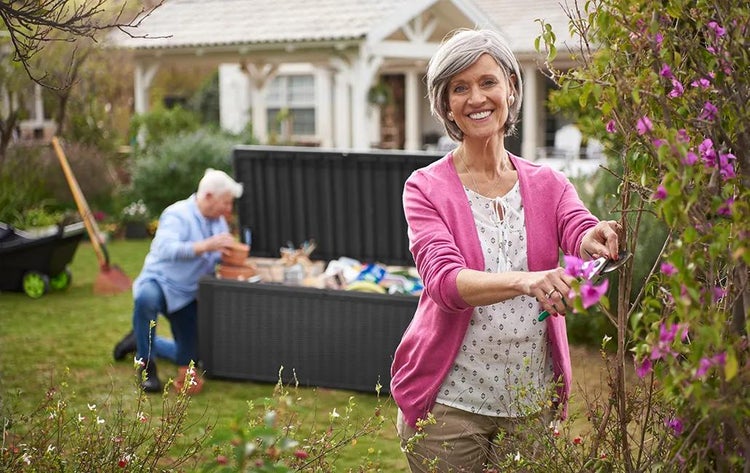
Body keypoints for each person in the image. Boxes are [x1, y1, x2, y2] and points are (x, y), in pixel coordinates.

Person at [390, 29, 621, 472]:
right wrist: (525, 280)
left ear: (511, 89)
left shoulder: (547, 184)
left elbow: (577, 226)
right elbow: (443, 283)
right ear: (446, 105)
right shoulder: (425, 187)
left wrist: (594, 235)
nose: (476, 97)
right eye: (460, 88)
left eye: (487, 82)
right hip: (450, 406)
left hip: (531, 402)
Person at [127, 168, 243, 394]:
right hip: (160, 281)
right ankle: (147, 369)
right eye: (226, 203)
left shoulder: (218, 221)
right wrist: (206, 246)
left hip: (187, 292)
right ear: (209, 196)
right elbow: (166, 248)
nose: (229, 209)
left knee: (193, 357)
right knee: (145, 299)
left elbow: (218, 254)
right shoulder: (177, 214)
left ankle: (138, 341)